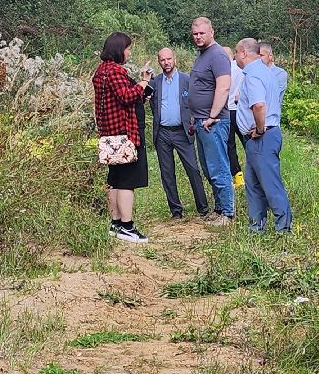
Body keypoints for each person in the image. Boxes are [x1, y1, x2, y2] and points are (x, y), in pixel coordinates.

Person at [92, 31, 153, 243]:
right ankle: (127, 226)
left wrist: (140, 94)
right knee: (127, 181)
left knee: (115, 180)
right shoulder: (116, 71)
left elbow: (117, 100)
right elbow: (126, 97)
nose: (129, 53)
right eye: (128, 49)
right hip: (124, 135)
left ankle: (115, 223)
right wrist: (143, 82)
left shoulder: (101, 71)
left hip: (109, 135)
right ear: (119, 50)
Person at [234, 38, 291, 233]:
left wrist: (259, 130)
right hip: (260, 138)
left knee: (270, 183)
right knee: (253, 183)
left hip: (262, 138)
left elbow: (259, 105)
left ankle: (283, 227)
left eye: (236, 52)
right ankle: (256, 227)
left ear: (243, 53)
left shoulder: (253, 75)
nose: (234, 56)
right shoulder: (264, 71)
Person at [147, 47, 210, 219]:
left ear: (174, 59)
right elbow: (149, 102)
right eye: (162, 60)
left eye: (169, 59)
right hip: (162, 133)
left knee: (193, 169)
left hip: (182, 131)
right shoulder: (155, 82)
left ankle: (203, 208)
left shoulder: (186, 80)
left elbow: (195, 101)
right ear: (159, 62)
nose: (166, 62)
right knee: (167, 173)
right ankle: (176, 211)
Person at [188, 17, 236, 224]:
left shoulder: (218, 55)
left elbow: (223, 87)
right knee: (209, 168)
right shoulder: (202, 55)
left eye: (202, 33)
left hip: (214, 123)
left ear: (212, 32)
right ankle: (218, 208)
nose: (198, 37)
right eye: (195, 34)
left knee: (218, 167)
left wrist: (212, 116)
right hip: (201, 121)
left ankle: (227, 213)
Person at [259, 41, 288, 141]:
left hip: (270, 123)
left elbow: (270, 97)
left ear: (270, 56)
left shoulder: (280, 74)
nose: (259, 59)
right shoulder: (254, 72)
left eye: (261, 55)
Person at [223, 44, 244, 182]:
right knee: (247, 140)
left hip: (227, 111)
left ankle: (237, 175)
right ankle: (256, 170)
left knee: (230, 144)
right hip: (241, 110)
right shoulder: (241, 68)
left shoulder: (223, 70)